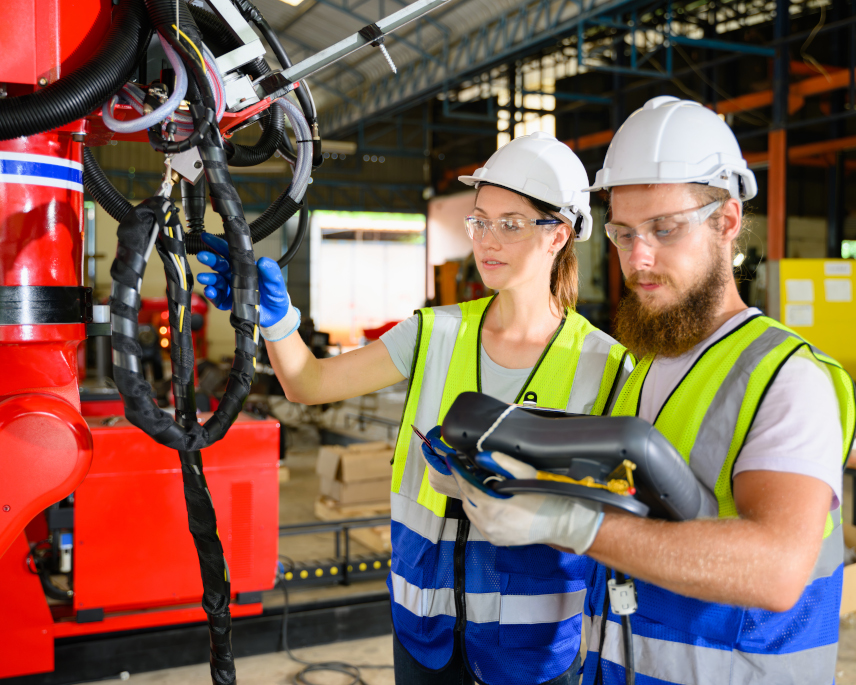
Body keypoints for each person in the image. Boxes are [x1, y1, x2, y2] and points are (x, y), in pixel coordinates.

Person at [196, 131, 633, 685]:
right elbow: (308, 382)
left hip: (535, 650)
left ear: (559, 235)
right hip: (425, 633)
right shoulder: (434, 333)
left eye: (512, 223)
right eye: (480, 220)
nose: (487, 240)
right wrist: (274, 319)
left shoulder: (606, 367)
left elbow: (619, 519)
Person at [445, 98, 856, 684]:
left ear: (727, 221)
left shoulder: (786, 377)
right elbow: (637, 513)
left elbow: (777, 570)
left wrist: (574, 527)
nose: (638, 259)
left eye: (665, 229)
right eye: (622, 233)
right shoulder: (642, 372)